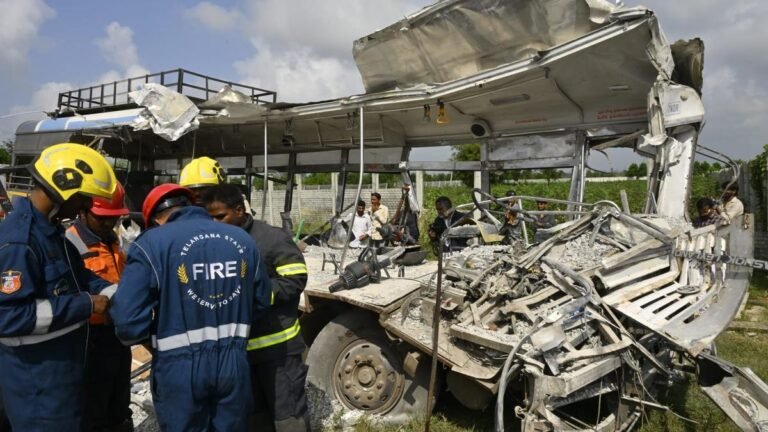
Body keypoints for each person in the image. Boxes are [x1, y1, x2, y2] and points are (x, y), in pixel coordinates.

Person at [110, 184, 271, 432]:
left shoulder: (151, 243)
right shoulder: (242, 240)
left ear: (154, 219)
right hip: (234, 363)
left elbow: (128, 322)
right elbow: (260, 302)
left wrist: (158, 335)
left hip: (179, 369)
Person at [0, 143, 117, 431]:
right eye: (83, 199)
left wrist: (115, 292)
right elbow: (8, 317)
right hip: (37, 387)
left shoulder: (53, 235)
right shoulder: (19, 242)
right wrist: (86, 305)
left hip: (62, 377)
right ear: (64, 187)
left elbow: (80, 278)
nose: (86, 207)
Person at [201, 184, 310, 432]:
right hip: (240, 353)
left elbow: (296, 279)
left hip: (278, 351)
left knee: (288, 418)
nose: (215, 223)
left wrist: (255, 294)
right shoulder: (213, 244)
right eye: (210, 218)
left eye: (220, 216)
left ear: (239, 210)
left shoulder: (271, 238)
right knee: (254, 419)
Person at [66, 182, 133, 432]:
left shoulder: (113, 240)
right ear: (82, 211)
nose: (108, 224)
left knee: (119, 399)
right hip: (89, 340)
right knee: (93, 405)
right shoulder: (69, 243)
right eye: (102, 218)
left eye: (113, 218)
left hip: (117, 334)